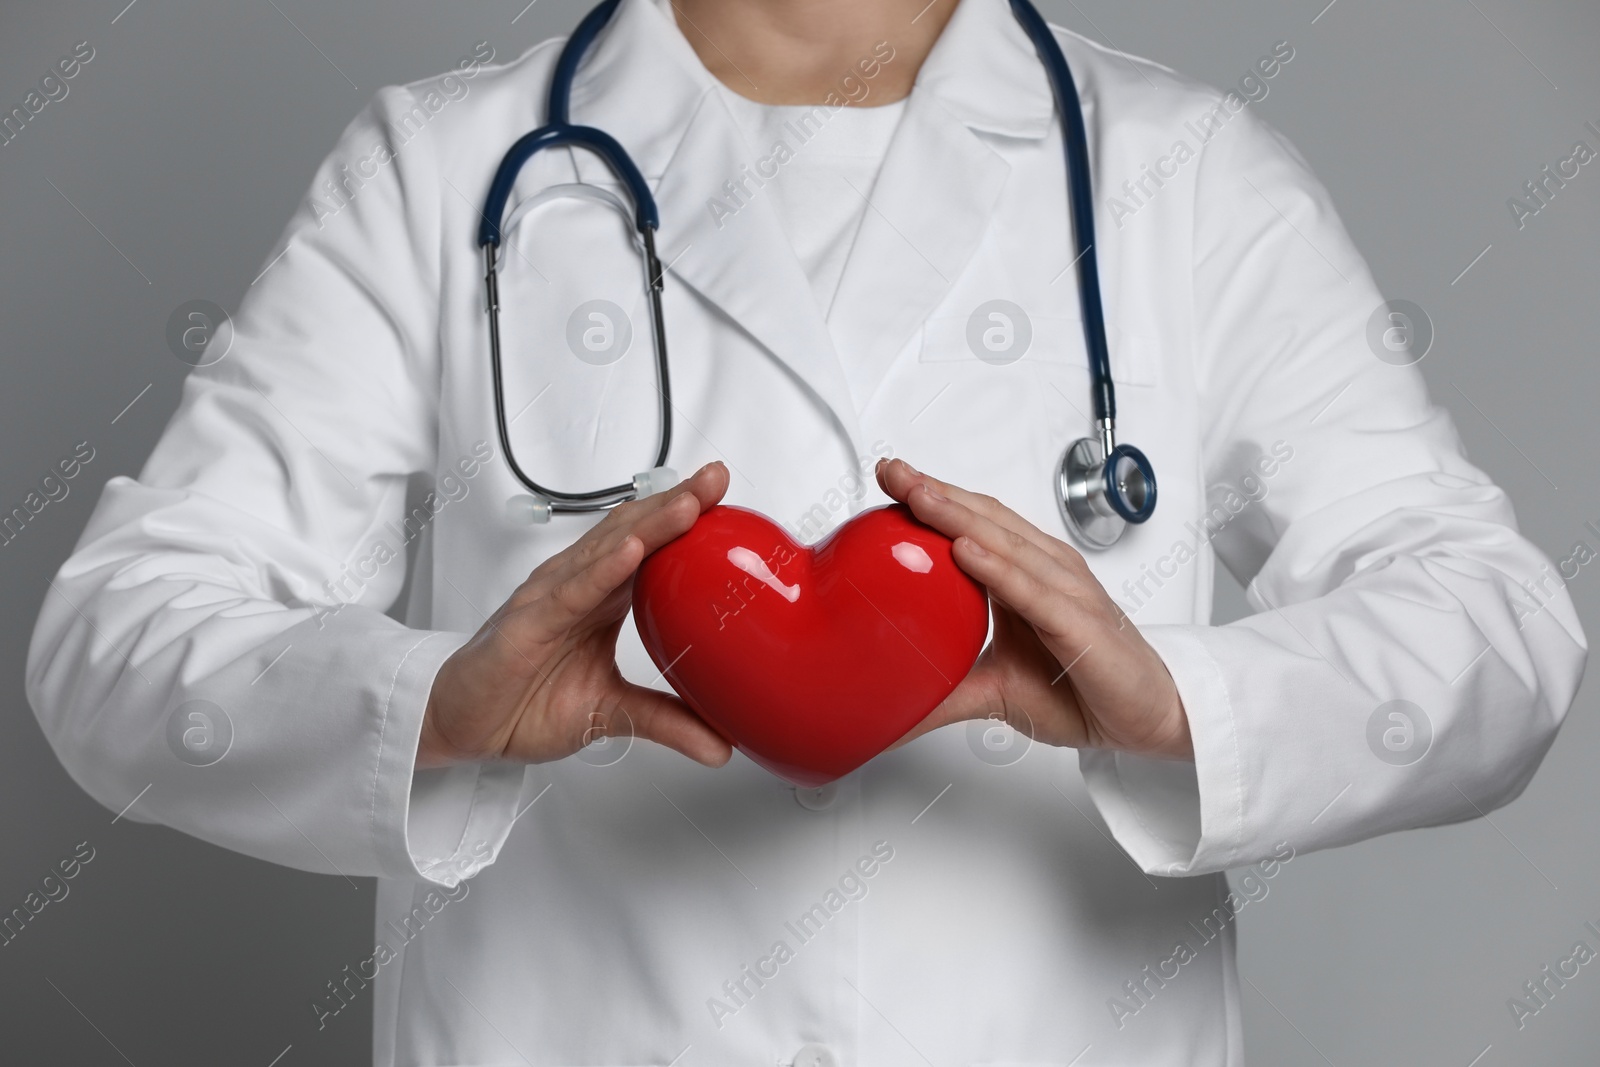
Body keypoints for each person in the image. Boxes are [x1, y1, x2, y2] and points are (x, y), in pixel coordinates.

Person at [27, 0, 1585, 1063]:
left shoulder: (1186, 182)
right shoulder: (446, 172)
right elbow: (112, 643)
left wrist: (1180, 704)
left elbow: (1498, 633)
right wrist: (438, 708)